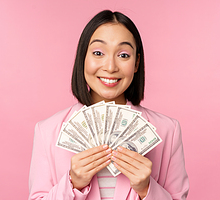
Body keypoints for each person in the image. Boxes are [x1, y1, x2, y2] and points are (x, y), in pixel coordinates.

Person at [28, 10, 189, 200]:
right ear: (83, 59)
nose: (110, 67)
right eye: (98, 53)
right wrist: (73, 183)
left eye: (123, 55)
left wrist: (147, 189)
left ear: (136, 63)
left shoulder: (167, 131)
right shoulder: (47, 131)